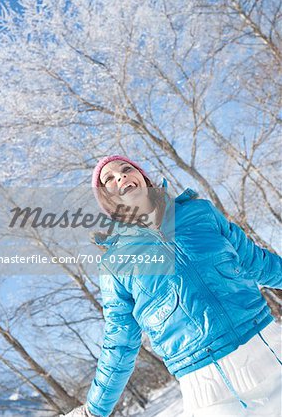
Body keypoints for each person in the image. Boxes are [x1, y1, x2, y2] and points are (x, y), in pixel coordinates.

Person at [61, 155, 282, 417]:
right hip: (207, 384)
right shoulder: (114, 264)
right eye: (108, 179)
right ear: (106, 199)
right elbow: (120, 340)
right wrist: (94, 410)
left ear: (142, 177)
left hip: (267, 347)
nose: (120, 176)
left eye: (126, 169)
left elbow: (256, 262)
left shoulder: (199, 212)